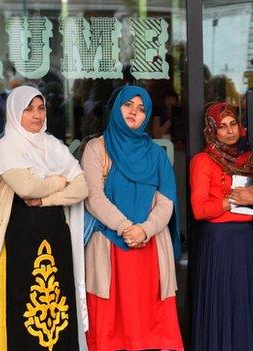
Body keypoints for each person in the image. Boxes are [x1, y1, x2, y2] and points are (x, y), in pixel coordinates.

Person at [0, 85, 89, 350]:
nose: (36, 114)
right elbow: (26, 187)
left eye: (41, 107)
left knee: (58, 303)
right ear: (14, 112)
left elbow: (82, 187)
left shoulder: (53, 145)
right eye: (28, 109)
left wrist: (45, 199)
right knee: (23, 304)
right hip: (21, 237)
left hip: (56, 234)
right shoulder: (6, 147)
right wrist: (60, 180)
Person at [81, 85, 183, 351]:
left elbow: (166, 201)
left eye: (141, 109)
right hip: (109, 247)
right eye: (128, 105)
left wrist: (145, 230)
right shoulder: (96, 148)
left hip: (150, 251)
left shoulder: (156, 155)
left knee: (150, 330)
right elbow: (94, 198)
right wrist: (127, 227)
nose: (134, 113)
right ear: (116, 108)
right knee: (109, 330)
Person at [190, 102, 253, 351]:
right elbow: (199, 210)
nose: (230, 131)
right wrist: (231, 199)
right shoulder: (203, 161)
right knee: (221, 302)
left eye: (233, 123)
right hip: (219, 241)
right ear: (212, 130)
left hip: (245, 240)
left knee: (243, 302)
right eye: (222, 126)